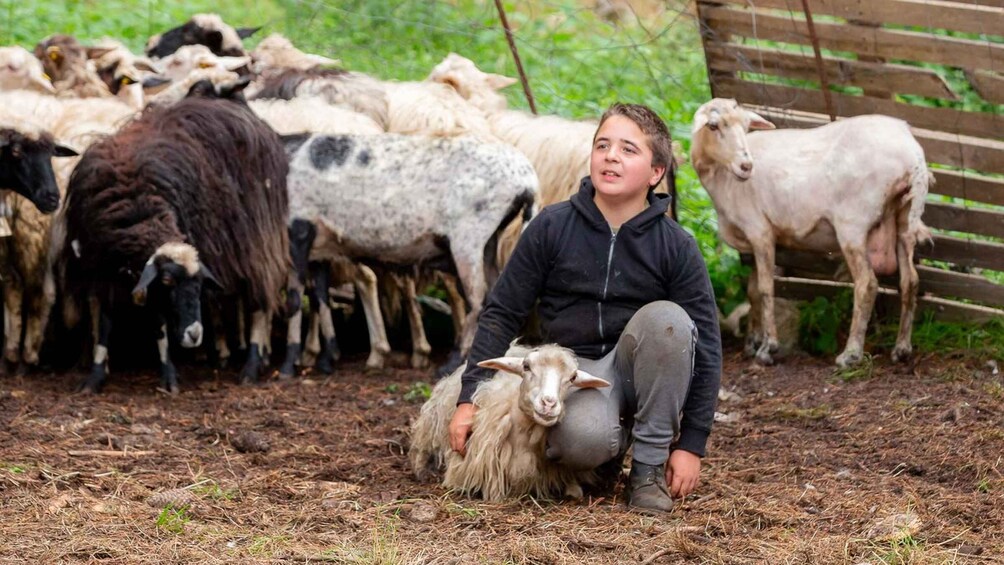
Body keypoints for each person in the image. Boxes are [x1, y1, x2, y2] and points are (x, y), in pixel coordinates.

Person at [448, 102, 722, 513]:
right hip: (575, 374)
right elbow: (503, 311)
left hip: (639, 368)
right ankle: (608, 445)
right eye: (602, 145)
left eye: (629, 149)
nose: (611, 156)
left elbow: (709, 344)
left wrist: (692, 444)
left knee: (670, 321)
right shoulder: (552, 226)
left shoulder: (675, 246)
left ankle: (647, 470)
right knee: (579, 444)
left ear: (656, 174)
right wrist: (469, 397)